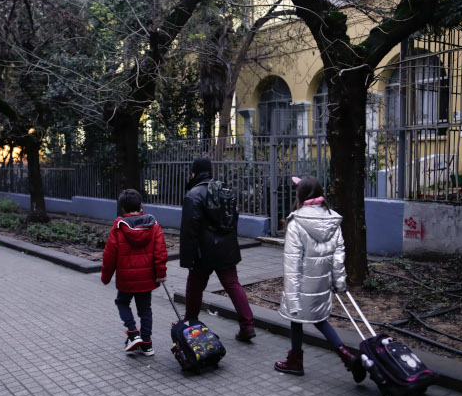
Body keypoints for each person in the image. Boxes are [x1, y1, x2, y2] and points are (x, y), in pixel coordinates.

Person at [274, 175, 366, 383]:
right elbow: (338, 255)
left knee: (296, 318)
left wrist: (292, 296)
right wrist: (340, 282)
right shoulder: (333, 219)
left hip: (300, 283)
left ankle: (295, 360)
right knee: (319, 319)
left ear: (301, 195)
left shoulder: (296, 221)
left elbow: (292, 263)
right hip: (321, 282)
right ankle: (345, 355)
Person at [180, 156, 256, 341]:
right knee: (232, 284)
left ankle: (191, 321)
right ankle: (247, 326)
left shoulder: (193, 194)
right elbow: (233, 220)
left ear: (194, 172)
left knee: (195, 286)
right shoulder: (225, 190)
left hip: (203, 252)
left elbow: (190, 229)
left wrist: (188, 258)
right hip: (226, 248)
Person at [101, 189, 168, 356]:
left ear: (123, 208)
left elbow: (109, 256)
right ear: (141, 205)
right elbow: (160, 252)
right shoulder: (154, 226)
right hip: (146, 278)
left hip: (126, 278)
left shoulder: (118, 228)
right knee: (145, 309)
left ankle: (133, 332)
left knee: (122, 302)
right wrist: (160, 273)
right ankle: (147, 344)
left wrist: (106, 277)